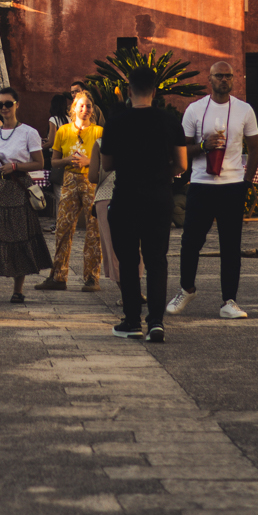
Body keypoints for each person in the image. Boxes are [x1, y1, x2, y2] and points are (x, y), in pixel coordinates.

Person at [93, 65, 185, 342]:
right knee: (157, 260)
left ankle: (132, 320)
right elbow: (181, 164)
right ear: (154, 91)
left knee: (129, 260)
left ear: (129, 90)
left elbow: (107, 164)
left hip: (126, 197)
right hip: (158, 197)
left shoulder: (116, 122)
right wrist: (161, 174)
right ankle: (156, 322)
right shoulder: (170, 121)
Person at [170, 60, 258, 320]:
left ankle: (229, 301)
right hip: (201, 184)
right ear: (209, 79)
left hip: (232, 186)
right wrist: (203, 146)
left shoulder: (244, 110)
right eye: (219, 76)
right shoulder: (195, 109)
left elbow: (254, 148)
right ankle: (186, 289)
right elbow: (182, 149)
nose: (224, 80)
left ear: (233, 79)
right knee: (190, 242)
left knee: (231, 246)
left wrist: (247, 182)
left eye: (228, 76)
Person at [0, 89, 51, 303]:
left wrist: (15, 166)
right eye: (0, 104)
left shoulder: (29, 132)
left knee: (20, 236)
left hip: (18, 188)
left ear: (17, 104)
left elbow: (39, 163)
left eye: (8, 104)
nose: (4, 108)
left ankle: (18, 290)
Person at [38, 87, 101, 291]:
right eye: (81, 106)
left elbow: (106, 161)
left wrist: (88, 161)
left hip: (91, 181)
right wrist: (67, 160)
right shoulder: (63, 131)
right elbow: (54, 161)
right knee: (63, 227)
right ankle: (58, 276)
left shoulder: (99, 132)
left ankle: (92, 277)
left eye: (88, 106)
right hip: (69, 180)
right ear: (73, 108)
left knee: (94, 229)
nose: (85, 110)